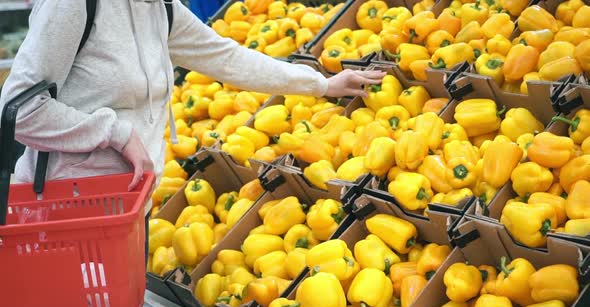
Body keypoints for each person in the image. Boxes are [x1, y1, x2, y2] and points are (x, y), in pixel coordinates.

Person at [0, 0, 385, 191]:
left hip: (132, 202)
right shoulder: (75, 7)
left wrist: (321, 84)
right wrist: (116, 133)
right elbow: (17, 109)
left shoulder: (160, 9)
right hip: (68, 205)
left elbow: (227, 58)